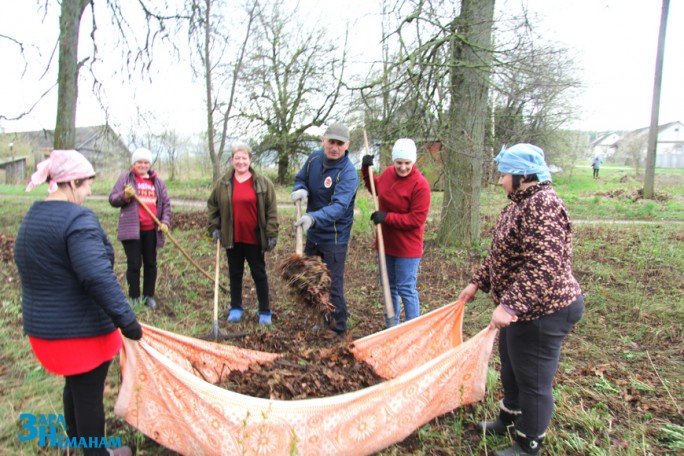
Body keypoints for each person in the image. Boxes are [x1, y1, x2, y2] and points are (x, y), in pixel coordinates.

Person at [458, 143, 584, 456]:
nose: (500, 180)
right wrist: (477, 283)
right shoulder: (519, 203)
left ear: (523, 176)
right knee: (511, 369)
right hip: (522, 311)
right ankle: (509, 420)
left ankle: (529, 443)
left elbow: (543, 266)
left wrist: (510, 305)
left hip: (545, 311)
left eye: (504, 174)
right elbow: (500, 252)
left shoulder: (543, 205)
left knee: (533, 380)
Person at [14, 149, 142, 456]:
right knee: (88, 397)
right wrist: (127, 320)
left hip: (44, 334)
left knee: (74, 388)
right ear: (70, 183)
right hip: (80, 335)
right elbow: (96, 275)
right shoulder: (77, 218)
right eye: (86, 185)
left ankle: (77, 445)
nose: (88, 192)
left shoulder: (34, 215)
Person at [291, 123, 358, 336]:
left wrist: (313, 217)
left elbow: (339, 208)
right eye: (331, 142)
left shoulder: (348, 173)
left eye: (340, 143)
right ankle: (322, 319)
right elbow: (301, 178)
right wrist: (299, 189)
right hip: (314, 234)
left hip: (334, 238)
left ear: (347, 145)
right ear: (323, 140)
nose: (335, 147)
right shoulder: (313, 159)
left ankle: (338, 328)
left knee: (333, 284)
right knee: (314, 281)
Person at [361, 138, 431, 327]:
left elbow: (416, 219)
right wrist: (366, 171)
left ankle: (411, 329)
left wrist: (386, 218)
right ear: (394, 161)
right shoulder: (387, 174)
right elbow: (376, 188)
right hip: (386, 243)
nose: (402, 167)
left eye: (407, 163)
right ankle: (392, 327)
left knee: (406, 288)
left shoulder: (420, 185)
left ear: (413, 162)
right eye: (399, 162)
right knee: (388, 287)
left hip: (407, 247)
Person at [207, 142, 279, 325]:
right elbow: (213, 206)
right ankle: (236, 307)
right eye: (237, 158)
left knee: (259, 274)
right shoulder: (223, 183)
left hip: (254, 238)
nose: (240, 162)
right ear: (232, 160)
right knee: (235, 273)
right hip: (232, 237)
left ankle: (264, 310)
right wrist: (214, 227)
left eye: (244, 158)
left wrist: (272, 233)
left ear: (250, 160)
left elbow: (271, 210)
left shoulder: (263, 183)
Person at [108, 148, 171, 310]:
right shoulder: (126, 179)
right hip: (132, 230)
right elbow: (113, 199)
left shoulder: (157, 182)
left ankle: (148, 296)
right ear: (134, 163)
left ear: (150, 164)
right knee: (134, 264)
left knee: (151, 263)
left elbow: (165, 205)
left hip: (151, 230)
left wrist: (164, 222)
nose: (142, 165)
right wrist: (125, 196)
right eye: (139, 162)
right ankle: (134, 296)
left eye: (146, 162)